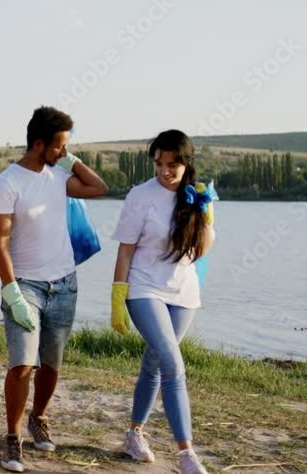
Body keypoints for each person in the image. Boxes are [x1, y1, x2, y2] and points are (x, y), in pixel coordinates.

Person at [0, 106, 109, 472]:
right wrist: (11, 293)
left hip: (64, 284)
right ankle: (12, 438)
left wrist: (70, 159)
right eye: (59, 146)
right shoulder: (7, 184)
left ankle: (38, 417)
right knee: (23, 365)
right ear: (38, 143)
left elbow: (99, 188)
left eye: (66, 147)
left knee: (51, 366)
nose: (63, 152)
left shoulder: (58, 177)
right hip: (26, 286)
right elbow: (0, 245)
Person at [111, 129, 216, 474]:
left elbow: (203, 249)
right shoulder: (140, 196)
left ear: (186, 163)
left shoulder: (197, 196)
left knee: (154, 363)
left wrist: (205, 214)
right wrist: (118, 295)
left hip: (184, 293)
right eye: (159, 163)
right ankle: (187, 454)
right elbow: (126, 249)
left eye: (172, 164)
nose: (164, 171)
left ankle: (133, 434)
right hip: (144, 289)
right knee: (173, 366)